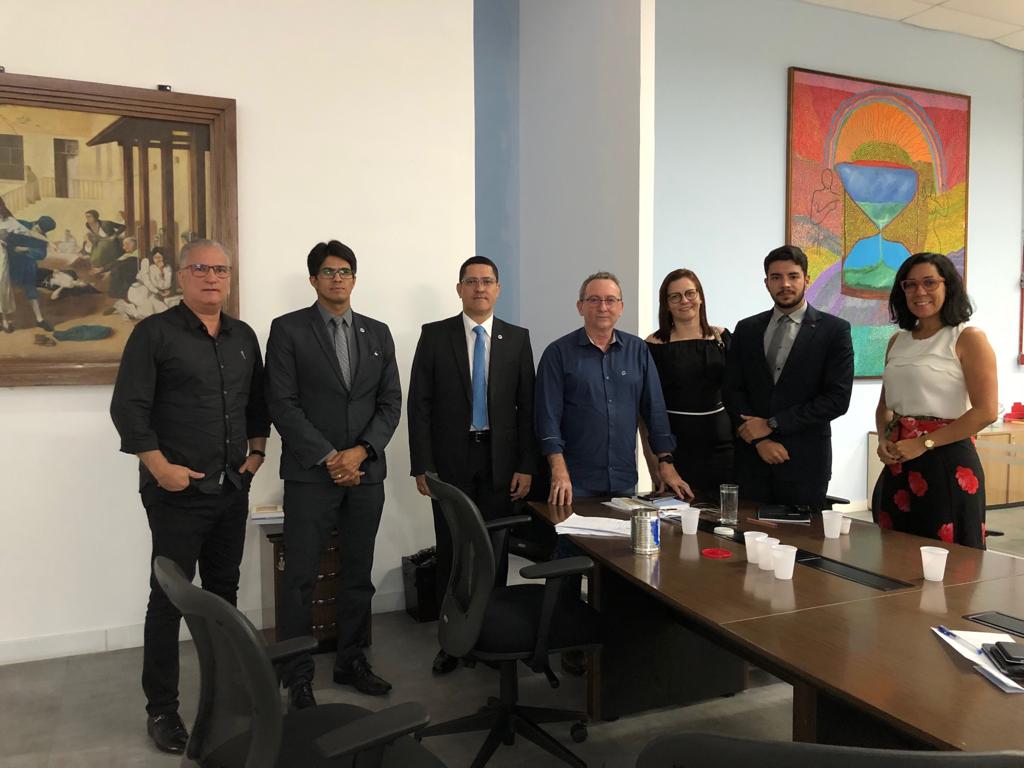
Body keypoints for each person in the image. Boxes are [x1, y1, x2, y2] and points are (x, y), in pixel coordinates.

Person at [110, 239, 269, 754]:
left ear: (229, 277)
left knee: (224, 593)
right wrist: (161, 469)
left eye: (221, 269)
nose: (212, 277)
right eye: (201, 268)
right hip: (176, 492)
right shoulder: (154, 334)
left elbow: (257, 403)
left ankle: (226, 693)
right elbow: (128, 409)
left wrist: (256, 456)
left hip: (231, 488)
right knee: (170, 599)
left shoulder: (243, 336)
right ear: (181, 276)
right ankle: (162, 710)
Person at [265, 240, 401, 709]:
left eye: (345, 271)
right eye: (328, 271)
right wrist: (330, 457)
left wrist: (360, 453)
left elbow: (390, 403)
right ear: (313, 279)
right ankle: (297, 675)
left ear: (355, 279)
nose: (337, 278)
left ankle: (352, 661)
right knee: (300, 578)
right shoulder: (288, 330)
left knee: (357, 574)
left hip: (365, 474)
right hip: (311, 476)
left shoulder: (377, 333)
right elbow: (282, 403)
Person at [408, 255, 537, 675]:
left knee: (494, 550)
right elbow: (419, 405)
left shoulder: (517, 339)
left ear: (498, 289)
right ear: (459, 288)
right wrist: (422, 465)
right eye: (471, 281)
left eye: (487, 281)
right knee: (452, 549)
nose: (480, 288)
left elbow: (527, 408)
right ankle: (453, 641)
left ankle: (491, 635)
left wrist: (526, 464)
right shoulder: (435, 335)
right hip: (450, 461)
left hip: (500, 461)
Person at [873, 252, 997, 549]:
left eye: (929, 282)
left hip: (947, 460)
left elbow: (986, 411)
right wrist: (883, 439)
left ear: (948, 286)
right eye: (910, 284)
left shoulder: (967, 337)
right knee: (895, 553)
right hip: (900, 459)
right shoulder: (898, 341)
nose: (920, 291)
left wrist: (924, 443)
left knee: (949, 557)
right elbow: (885, 406)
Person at [535, 270, 691, 505]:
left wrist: (665, 462)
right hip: (573, 482)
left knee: (624, 531)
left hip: (623, 481)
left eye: (610, 300)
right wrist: (558, 469)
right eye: (594, 300)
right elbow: (547, 418)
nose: (603, 307)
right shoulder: (557, 353)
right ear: (580, 307)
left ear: (621, 307)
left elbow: (655, 411)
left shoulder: (638, 350)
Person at [722, 245, 854, 510]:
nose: (785, 284)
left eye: (793, 276)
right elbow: (732, 390)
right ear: (766, 283)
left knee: (803, 535)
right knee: (746, 531)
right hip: (751, 460)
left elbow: (836, 399)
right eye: (776, 277)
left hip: (804, 462)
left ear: (807, 279)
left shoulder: (834, 331)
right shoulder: (747, 329)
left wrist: (773, 424)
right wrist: (760, 440)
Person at [642, 268, 734, 496]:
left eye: (690, 293)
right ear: (666, 304)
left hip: (724, 446)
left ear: (700, 297)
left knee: (726, 513)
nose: (684, 301)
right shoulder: (653, 345)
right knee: (677, 513)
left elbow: (738, 391)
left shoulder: (722, 337)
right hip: (675, 449)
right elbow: (646, 411)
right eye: (675, 296)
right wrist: (655, 462)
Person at [7, 215, 57, 331]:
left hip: (27, 265)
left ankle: (39, 320)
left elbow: (42, 254)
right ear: (36, 222)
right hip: (9, 261)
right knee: (3, 290)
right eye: (38, 229)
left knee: (31, 291)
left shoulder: (42, 238)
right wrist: (12, 248)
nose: (39, 233)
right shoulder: (21, 223)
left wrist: (26, 249)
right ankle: (4, 320)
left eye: (42, 232)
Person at [113, 247, 175, 320]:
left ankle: (131, 310)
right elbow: (148, 282)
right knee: (148, 314)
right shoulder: (146, 262)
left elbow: (167, 285)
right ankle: (123, 306)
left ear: (164, 258)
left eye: (160, 257)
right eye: (155, 257)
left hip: (151, 294)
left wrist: (161, 270)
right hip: (139, 291)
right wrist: (159, 291)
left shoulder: (167, 268)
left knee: (163, 310)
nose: (157, 260)